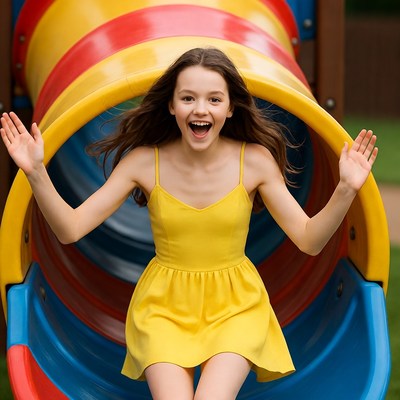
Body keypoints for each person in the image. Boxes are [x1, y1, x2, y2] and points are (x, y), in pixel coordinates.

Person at [1, 47, 377, 400]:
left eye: (215, 99)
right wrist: (36, 171)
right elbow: (70, 229)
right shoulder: (144, 162)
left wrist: (345, 188)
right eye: (188, 98)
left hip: (236, 305)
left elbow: (309, 239)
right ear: (171, 105)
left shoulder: (256, 161)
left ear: (230, 108)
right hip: (164, 306)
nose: (202, 109)